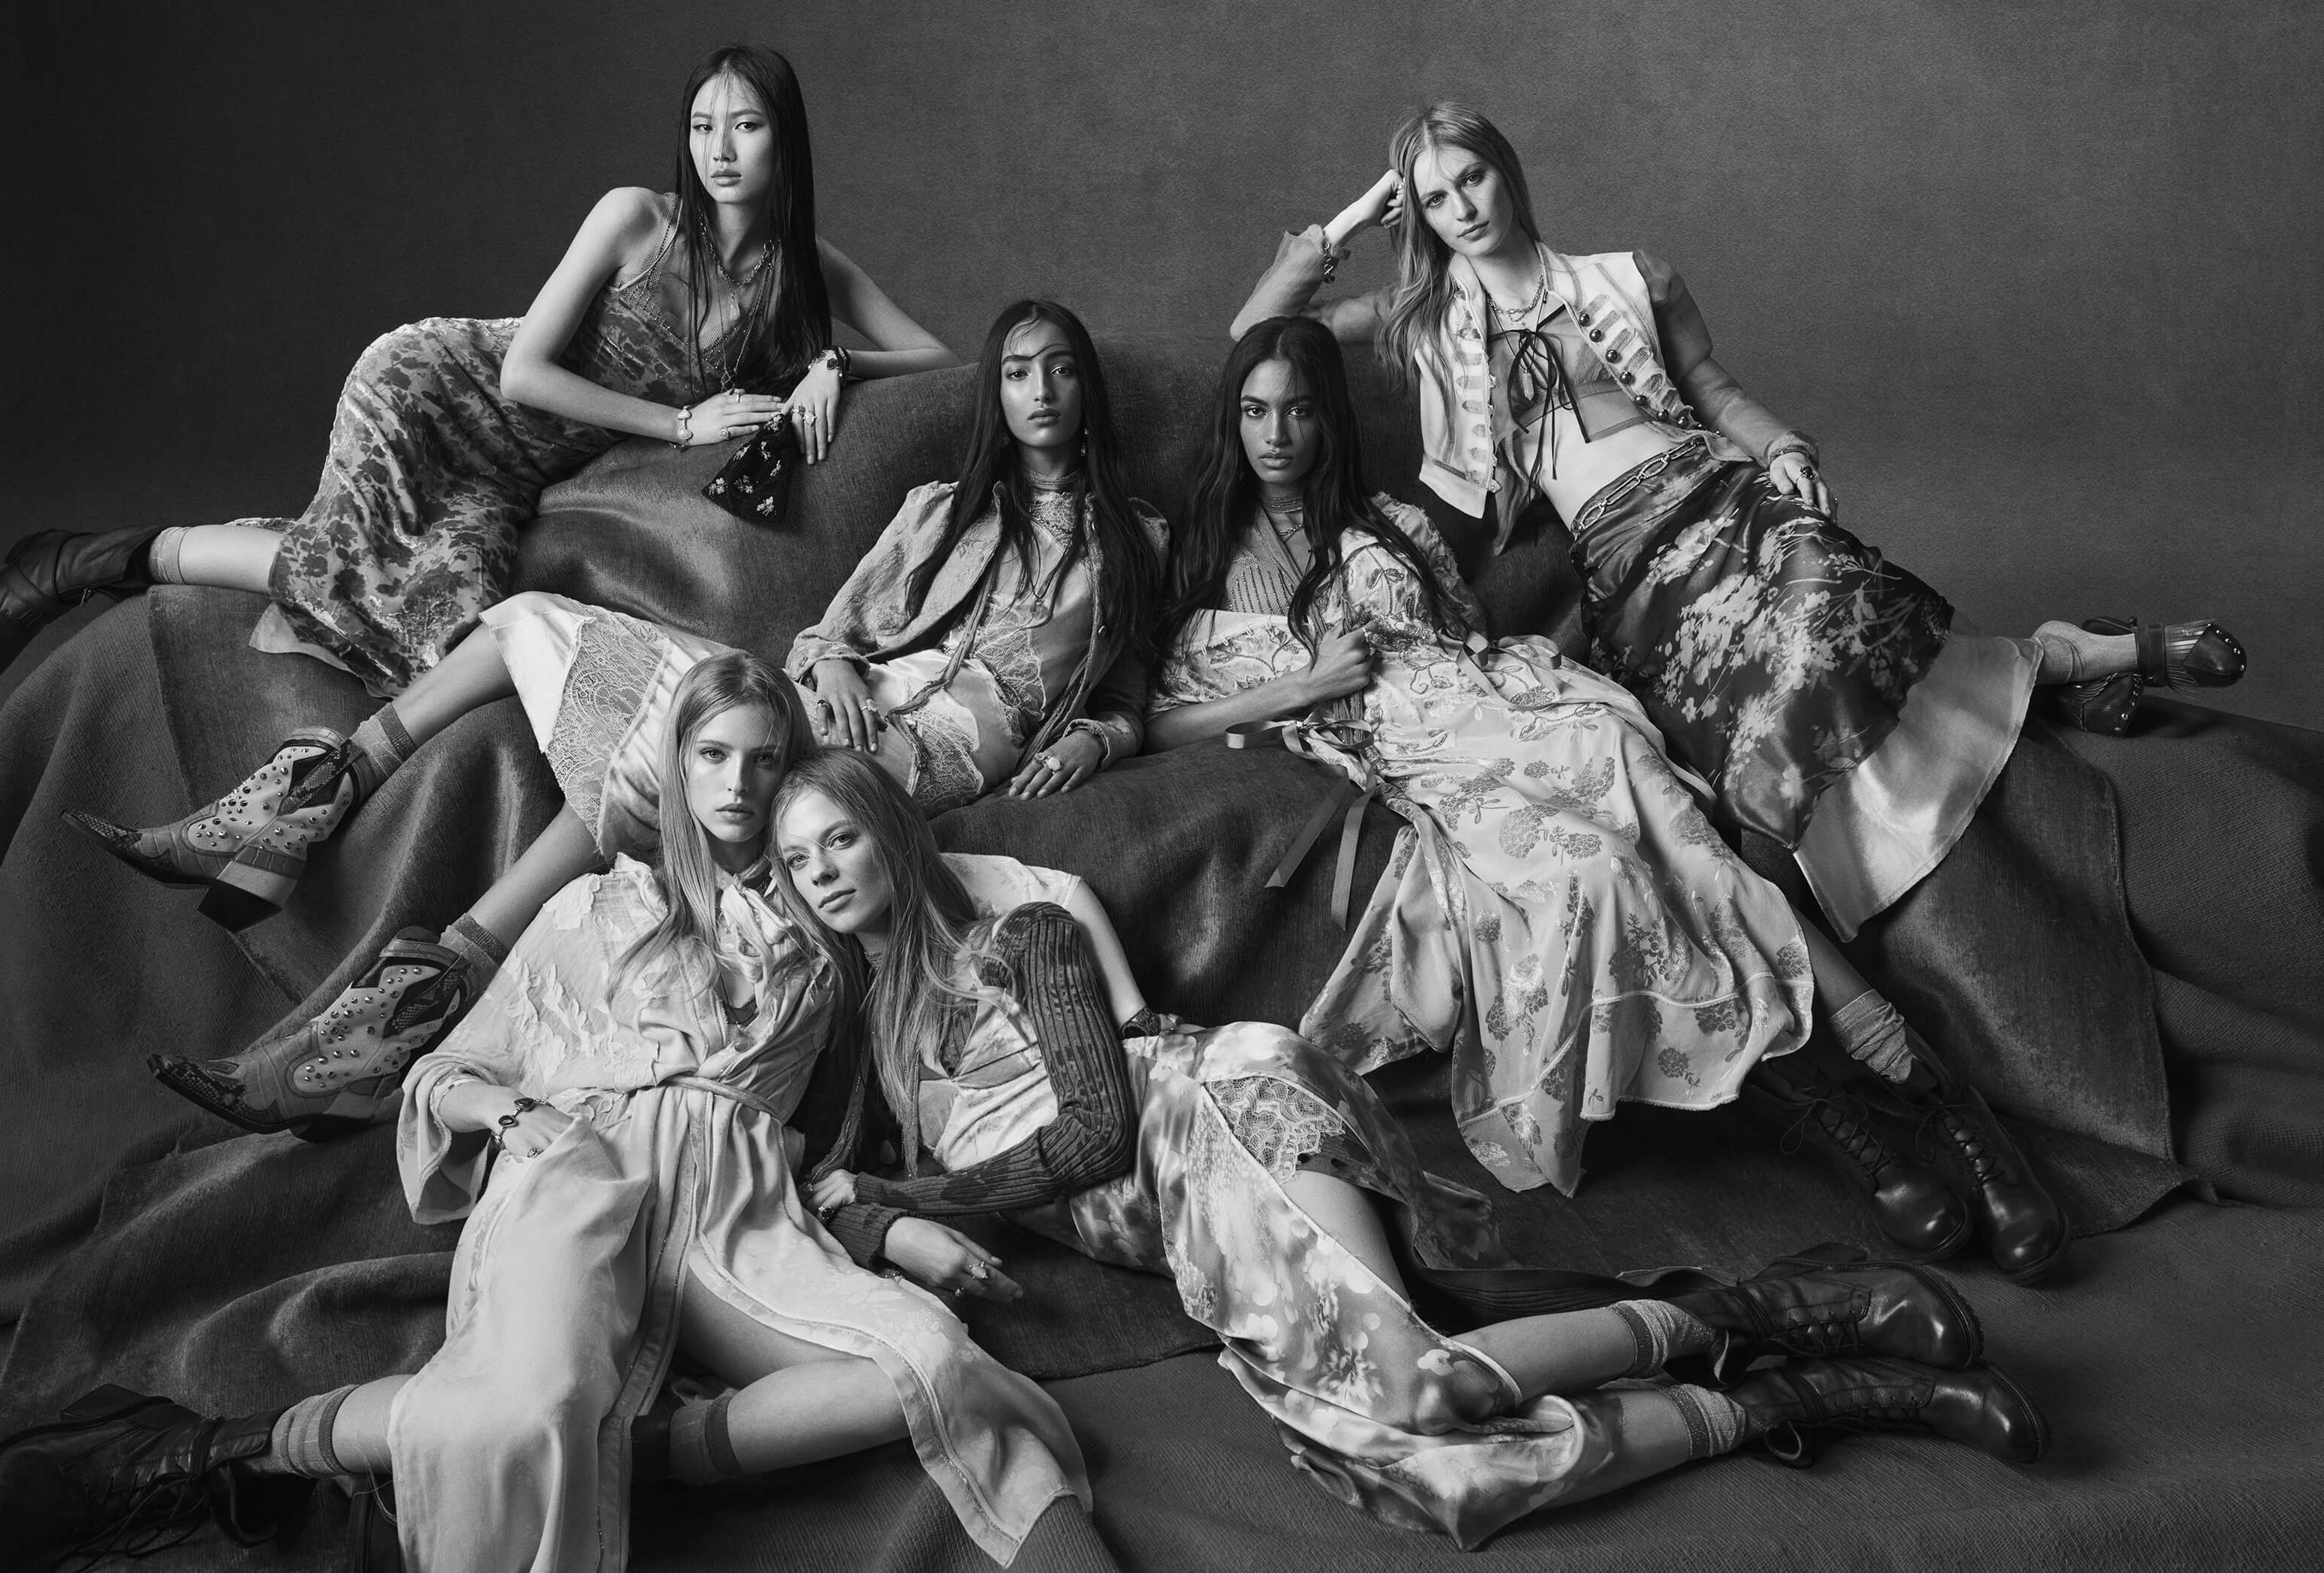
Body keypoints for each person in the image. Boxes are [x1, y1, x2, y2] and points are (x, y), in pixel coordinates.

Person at [0, 653, 1086, 1573]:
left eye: (765, 760)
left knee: (930, 1363)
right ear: (678, 767)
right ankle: (184, 1454)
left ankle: (619, 1456)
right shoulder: (599, 906)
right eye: (713, 755)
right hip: (582, 1166)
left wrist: (894, 1220)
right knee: (524, 1414)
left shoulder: (829, 929)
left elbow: (937, 982)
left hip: (741, 1208)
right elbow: (447, 1071)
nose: (738, 785)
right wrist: (511, 1117)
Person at [771, 747, 2045, 1551]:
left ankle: (1790, 1328)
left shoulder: (1018, 935)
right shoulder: (874, 1033)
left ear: (892, 831)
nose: (823, 871)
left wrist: (916, 1194)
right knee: (1419, 1470)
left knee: (1416, 1390)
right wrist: (885, 1211)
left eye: (841, 836)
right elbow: (824, 1184)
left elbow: (1098, 1127)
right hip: (1188, 1236)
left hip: (1214, 1116)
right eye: (795, 860)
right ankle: (1777, 1386)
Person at [1150, 317, 2066, 1280]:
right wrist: (1303, 687)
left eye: (1298, 409)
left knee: (1692, 852)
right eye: (1254, 410)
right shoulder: (1203, 559)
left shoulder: (1389, 524)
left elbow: (1462, 633)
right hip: (1429, 760)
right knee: (1604, 873)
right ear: (1231, 421)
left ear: (1326, 419)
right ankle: (1865, 1133)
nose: (1276, 433)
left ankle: (1941, 1117)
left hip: (1523, 707)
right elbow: (1163, 721)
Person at [126, 299, 1166, 1139]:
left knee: (635, 770)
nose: (1040, 391)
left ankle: (388, 973)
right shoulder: (940, 508)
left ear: (1088, 391)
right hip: (817, 708)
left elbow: (1132, 694)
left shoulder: (1139, 543)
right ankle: (338, 816)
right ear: (996, 392)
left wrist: (1098, 736)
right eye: (1017, 371)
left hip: (908, 764)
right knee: (529, 618)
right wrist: (835, 660)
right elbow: (828, 630)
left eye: (1060, 371)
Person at [1232, 101, 2247, 951]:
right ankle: (2067, 663)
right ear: (1417, 212)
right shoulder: (1419, 318)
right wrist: (1353, 217)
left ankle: (2080, 656)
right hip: (1631, 559)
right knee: (1768, 711)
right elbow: (1258, 337)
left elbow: (1710, 388)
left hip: (1715, 490)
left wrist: (1785, 449)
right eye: (1435, 197)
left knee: (1838, 601)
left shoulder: (1627, 278)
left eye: (1473, 179)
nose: (1462, 208)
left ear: (1508, 173)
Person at [0, 43, 954, 701]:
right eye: (702, 126)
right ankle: (78, 563)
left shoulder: (803, 273)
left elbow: (941, 360)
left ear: (786, 137)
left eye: (745, 125)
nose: (719, 150)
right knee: (355, 571)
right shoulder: (636, 218)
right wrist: (682, 425)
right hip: (437, 389)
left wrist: (828, 361)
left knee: (444, 613)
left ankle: (80, 558)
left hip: (522, 473)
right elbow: (522, 374)